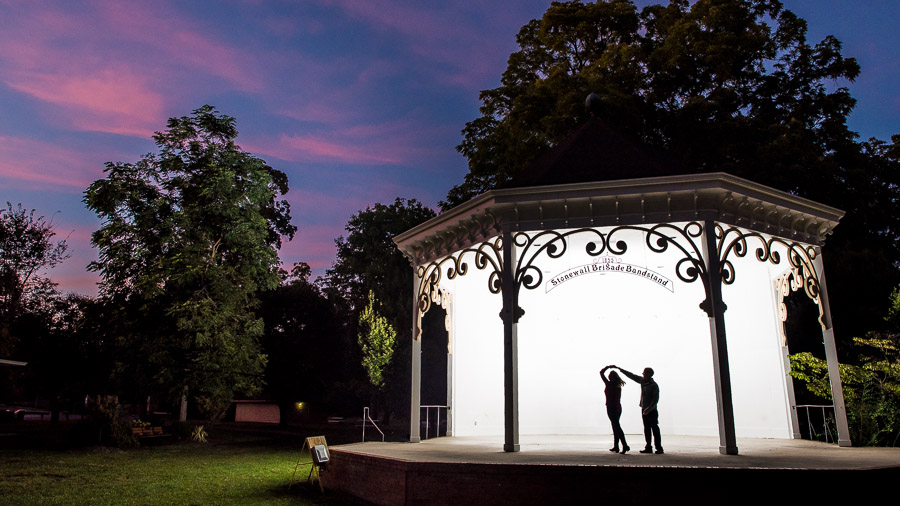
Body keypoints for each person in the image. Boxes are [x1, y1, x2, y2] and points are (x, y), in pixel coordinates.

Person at [618, 366, 663, 454]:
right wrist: (621, 370)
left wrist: (648, 409)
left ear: (649, 374)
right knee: (647, 429)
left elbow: (655, 400)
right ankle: (648, 447)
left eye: (644, 373)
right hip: (644, 410)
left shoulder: (654, 386)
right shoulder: (643, 381)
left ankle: (659, 448)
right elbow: (632, 376)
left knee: (654, 429)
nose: (643, 374)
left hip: (652, 411)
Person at [600, 365, 629, 454]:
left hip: (611, 407)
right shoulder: (618, 385)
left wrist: (608, 367)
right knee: (615, 426)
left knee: (616, 426)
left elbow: (601, 373)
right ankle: (616, 446)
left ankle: (624, 445)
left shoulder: (609, 384)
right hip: (617, 407)